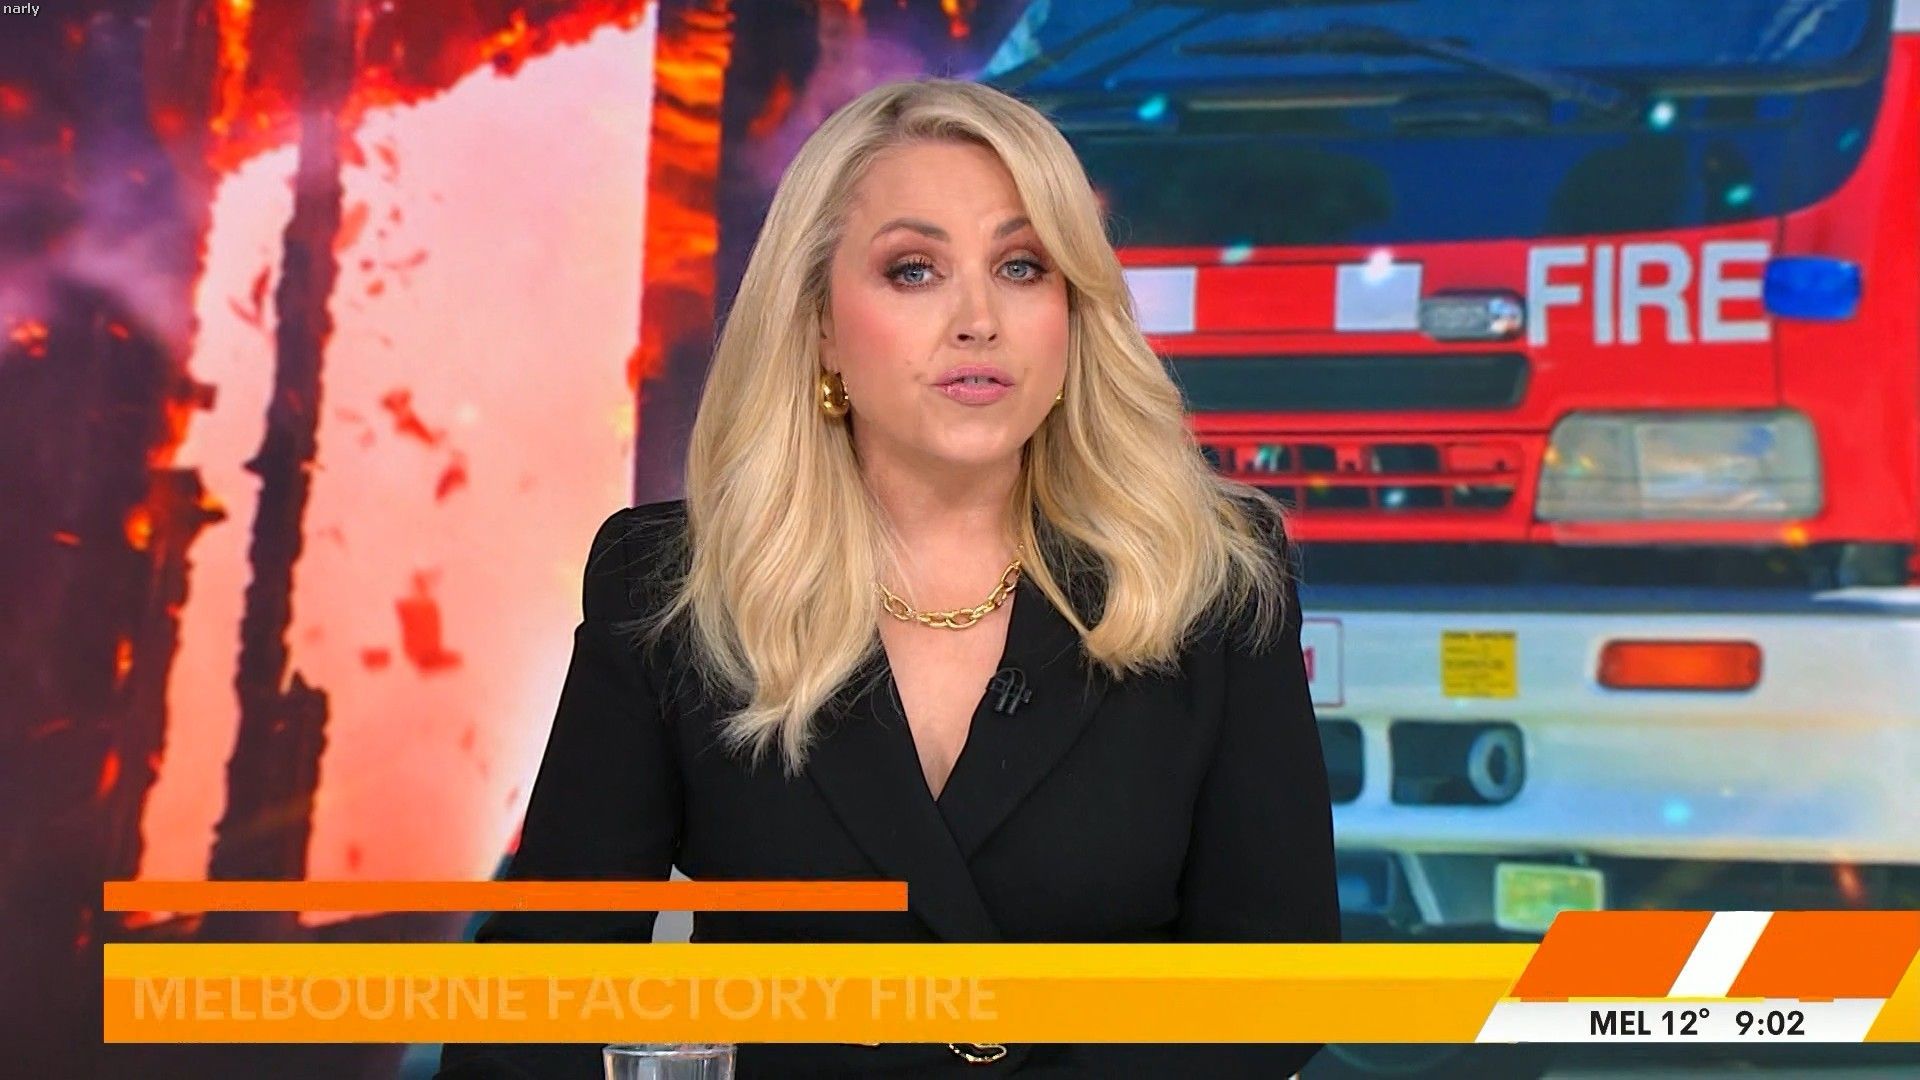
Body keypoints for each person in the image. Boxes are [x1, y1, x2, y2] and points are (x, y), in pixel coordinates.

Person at [438, 77, 1338, 1079]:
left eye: (1023, 267)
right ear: (820, 323)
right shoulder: (671, 586)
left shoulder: (1215, 578)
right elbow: (536, 999)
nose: (979, 319)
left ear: (1074, 313)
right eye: (914, 270)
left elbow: (1276, 990)